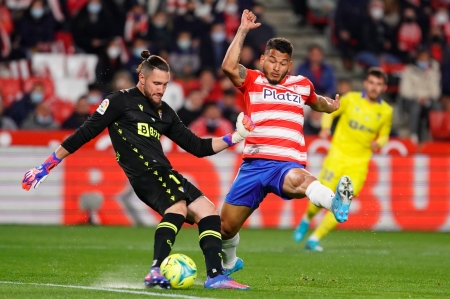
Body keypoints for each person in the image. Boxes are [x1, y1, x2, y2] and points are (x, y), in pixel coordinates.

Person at [21, 50, 254, 290]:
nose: (161, 90)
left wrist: (236, 136)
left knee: (209, 212)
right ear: (141, 79)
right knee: (178, 207)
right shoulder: (119, 101)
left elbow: (198, 146)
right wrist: (47, 164)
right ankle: (156, 269)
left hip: (165, 172)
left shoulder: (165, 112)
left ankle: (215, 276)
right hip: (145, 174)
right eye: (156, 83)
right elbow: (85, 132)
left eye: (165, 84)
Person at [219, 9, 354, 277]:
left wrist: (333, 105)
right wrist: (243, 30)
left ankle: (335, 203)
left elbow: (319, 102)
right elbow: (228, 67)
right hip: (254, 164)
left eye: (283, 62)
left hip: (285, 163)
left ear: (289, 65)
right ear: (262, 60)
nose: (277, 66)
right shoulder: (253, 80)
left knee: (301, 180)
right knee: (225, 227)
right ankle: (229, 262)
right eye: (272, 60)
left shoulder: (302, 84)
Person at [293, 67, 393, 251]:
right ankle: (306, 219)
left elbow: (385, 135)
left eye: (378, 84)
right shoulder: (350, 99)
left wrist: (379, 142)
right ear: (365, 83)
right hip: (337, 156)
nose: (374, 87)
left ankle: (315, 238)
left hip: (359, 163)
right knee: (323, 193)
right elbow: (330, 112)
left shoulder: (386, 111)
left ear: (384, 88)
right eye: (371, 82)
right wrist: (325, 127)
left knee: (344, 203)